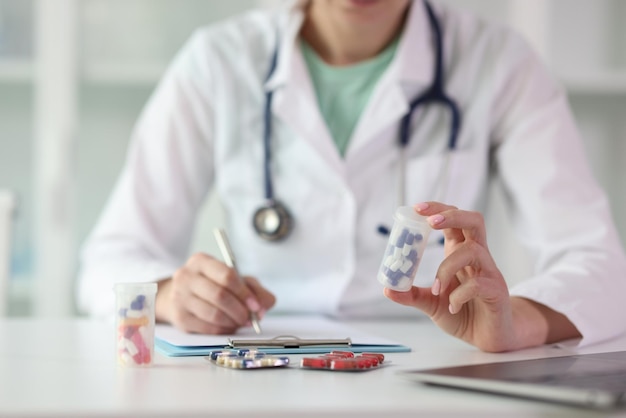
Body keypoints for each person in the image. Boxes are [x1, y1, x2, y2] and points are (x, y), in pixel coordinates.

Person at [77, 0, 626, 352]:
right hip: (260, 358)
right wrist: (174, 295)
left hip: (435, 366)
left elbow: (599, 265)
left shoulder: (497, 62)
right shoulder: (218, 62)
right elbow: (109, 259)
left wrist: (514, 324)